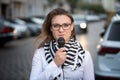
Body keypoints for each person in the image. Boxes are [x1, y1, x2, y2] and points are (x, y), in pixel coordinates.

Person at [30, 8, 95, 80]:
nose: (61, 30)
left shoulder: (85, 55)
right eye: (56, 26)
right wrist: (54, 64)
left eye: (66, 25)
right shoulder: (40, 54)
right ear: (51, 28)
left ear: (72, 27)